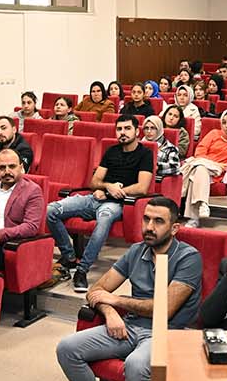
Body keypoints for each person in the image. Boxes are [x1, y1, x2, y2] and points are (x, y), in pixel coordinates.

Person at [55, 196, 202, 381]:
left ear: (174, 228)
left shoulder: (188, 258)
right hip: (131, 327)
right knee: (67, 348)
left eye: (158, 221)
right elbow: (96, 290)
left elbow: (165, 309)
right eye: (146, 219)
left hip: (169, 333)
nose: (149, 226)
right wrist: (110, 313)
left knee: (136, 365)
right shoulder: (137, 251)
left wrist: (117, 301)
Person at [47, 114, 154, 291]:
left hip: (117, 204)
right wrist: (106, 187)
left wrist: (116, 191)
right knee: (51, 210)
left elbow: (142, 187)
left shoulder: (145, 154)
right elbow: (94, 182)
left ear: (137, 131)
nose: (123, 133)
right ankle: (69, 256)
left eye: (127, 128)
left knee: (104, 219)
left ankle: (82, 270)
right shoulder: (111, 151)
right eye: (119, 129)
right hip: (95, 197)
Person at [0, 146, 45, 270]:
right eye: (2, 168)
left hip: (5, 242)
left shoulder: (32, 190)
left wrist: (0, 234)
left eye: (12, 166)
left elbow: (31, 227)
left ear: (21, 167)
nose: (7, 171)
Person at [181, 108, 227, 221]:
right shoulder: (213, 134)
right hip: (206, 166)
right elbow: (199, 152)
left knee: (197, 169)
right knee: (200, 170)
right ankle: (202, 205)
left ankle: (193, 219)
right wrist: (211, 163)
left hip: (220, 172)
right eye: (224, 122)